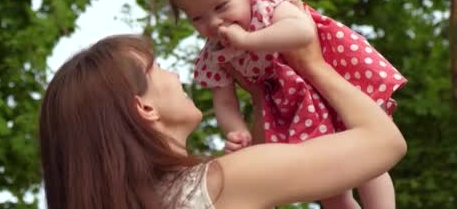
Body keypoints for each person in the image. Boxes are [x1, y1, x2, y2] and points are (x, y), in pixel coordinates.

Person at [164, 0, 407, 208]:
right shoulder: (215, 53)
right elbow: (225, 101)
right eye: (198, 17)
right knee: (329, 184)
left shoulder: (266, 2)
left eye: (221, 6)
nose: (214, 22)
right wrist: (236, 130)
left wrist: (248, 41)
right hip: (291, 107)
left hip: (331, 81)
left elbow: (301, 32)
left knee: (368, 161)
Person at [39, 31, 407, 208]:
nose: (176, 77)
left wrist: (263, 97)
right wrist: (312, 63)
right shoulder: (217, 183)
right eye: (158, 69)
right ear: (145, 108)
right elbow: (385, 143)